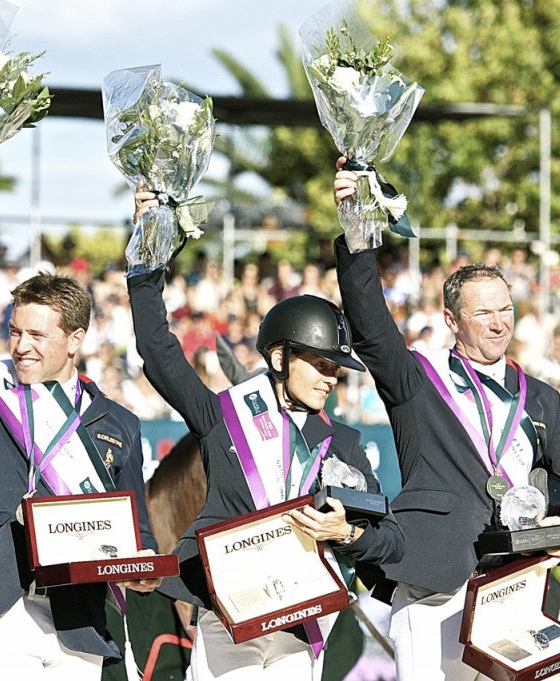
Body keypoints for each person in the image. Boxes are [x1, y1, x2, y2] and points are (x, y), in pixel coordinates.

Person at [331, 160, 560, 681]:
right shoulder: (417, 379)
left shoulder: (541, 398)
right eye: (483, 313)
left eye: (505, 309)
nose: (499, 322)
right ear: (452, 320)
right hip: (433, 581)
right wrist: (356, 225)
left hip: (514, 585)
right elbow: (369, 322)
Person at [0, 137, 160, 681]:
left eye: (37, 335)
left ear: (75, 339)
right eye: (15, 331)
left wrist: (142, 568)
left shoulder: (120, 424)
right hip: (2, 610)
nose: (21, 345)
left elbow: (135, 526)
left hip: (80, 617)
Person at [127, 189, 403, 681]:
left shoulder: (346, 445)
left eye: (334, 368)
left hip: (301, 629)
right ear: (279, 360)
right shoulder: (221, 419)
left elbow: (389, 541)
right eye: (318, 364)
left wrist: (347, 532)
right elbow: (157, 350)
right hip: (227, 625)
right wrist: (147, 254)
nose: (329, 378)